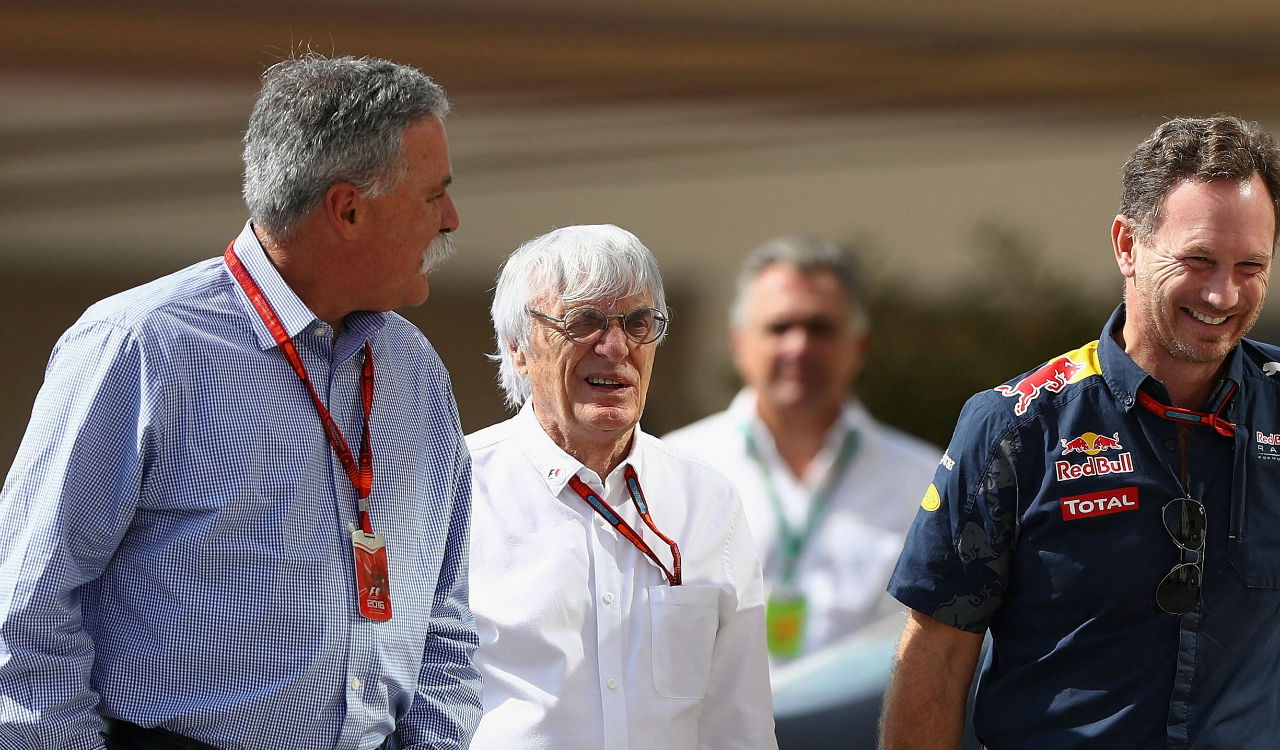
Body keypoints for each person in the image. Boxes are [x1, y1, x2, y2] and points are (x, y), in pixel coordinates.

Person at [0, 54, 481, 749]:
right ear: (347, 209)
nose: (451, 220)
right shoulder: (140, 345)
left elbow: (444, 615)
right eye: (433, 196)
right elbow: (26, 607)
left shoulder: (413, 369)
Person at [881, 114, 1280, 749]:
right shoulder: (1014, 426)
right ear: (1127, 245)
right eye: (1198, 259)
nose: (1223, 294)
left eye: (1251, 265)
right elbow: (939, 653)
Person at [466, 224, 778, 749]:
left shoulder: (707, 498)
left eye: (637, 323)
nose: (615, 347)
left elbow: (739, 720)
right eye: (583, 322)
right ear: (517, 349)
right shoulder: (458, 487)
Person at [664, 237, 939, 662]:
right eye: (780, 327)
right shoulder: (671, 470)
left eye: (820, 328)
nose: (799, 347)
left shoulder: (925, 481)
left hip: (861, 708)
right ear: (740, 344)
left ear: (858, 345)